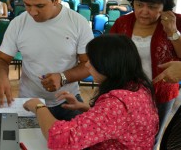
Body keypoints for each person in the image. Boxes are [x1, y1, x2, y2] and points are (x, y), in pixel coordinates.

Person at [23, 34, 159, 149]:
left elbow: (61, 140)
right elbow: (119, 121)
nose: (87, 65)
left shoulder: (116, 103)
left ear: (108, 65)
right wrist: (84, 108)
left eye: (92, 62)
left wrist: (38, 106)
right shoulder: (139, 87)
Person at [0, 0, 93, 121]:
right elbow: (1, 60)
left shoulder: (78, 23)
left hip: (67, 100)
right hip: (30, 101)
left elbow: (88, 64)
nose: (32, 12)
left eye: (40, 6)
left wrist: (63, 77)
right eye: (27, 4)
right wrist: (1, 77)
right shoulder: (18, 23)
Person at [109, 0, 181, 147]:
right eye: (139, 5)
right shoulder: (123, 22)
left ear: (165, 7)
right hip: (126, 91)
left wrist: (172, 31)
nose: (144, 11)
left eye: (152, 7)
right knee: (123, 133)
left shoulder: (176, 21)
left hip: (160, 93)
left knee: (152, 136)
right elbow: (108, 51)